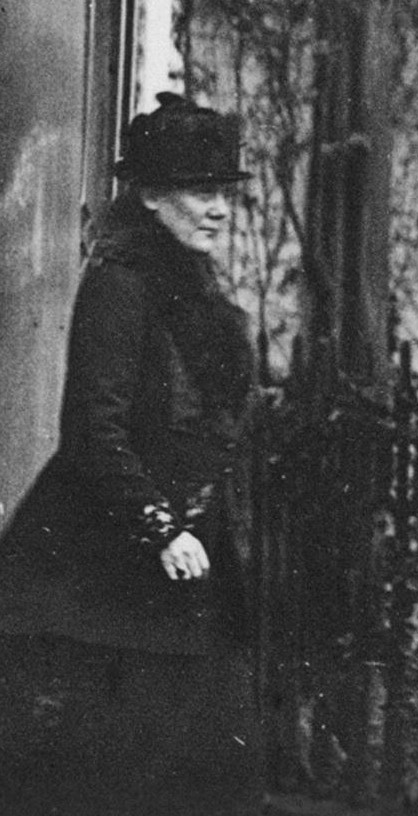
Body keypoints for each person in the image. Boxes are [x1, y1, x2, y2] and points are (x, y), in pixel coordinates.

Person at [0, 92, 261, 816]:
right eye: (199, 192)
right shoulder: (120, 285)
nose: (217, 209)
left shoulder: (198, 294)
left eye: (223, 195)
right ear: (150, 196)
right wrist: (159, 526)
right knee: (115, 779)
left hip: (182, 581)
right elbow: (92, 429)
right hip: (107, 583)